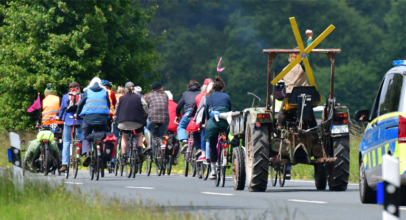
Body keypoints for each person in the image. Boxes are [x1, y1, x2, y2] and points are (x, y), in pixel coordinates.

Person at [277, 29, 314, 180]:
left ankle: (279, 128)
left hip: (290, 101)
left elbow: (279, 90)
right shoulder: (302, 66)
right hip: (304, 101)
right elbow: (309, 55)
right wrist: (310, 39)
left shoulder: (285, 70)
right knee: (310, 115)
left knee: (282, 113)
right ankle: (313, 130)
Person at [76, 77, 111, 167]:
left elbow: (80, 104)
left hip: (89, 118)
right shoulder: (105, 91)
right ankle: (104, 157)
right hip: (102, 119)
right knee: (107, 134)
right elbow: (108, 104)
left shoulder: (87, 91)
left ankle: (87, 153)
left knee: (85, 136)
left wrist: (78, 113)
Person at [203, 76, 231, 180]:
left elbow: (206, 113)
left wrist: (205, 124)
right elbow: (230, 109)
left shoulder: (208, 97)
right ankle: (226, 148)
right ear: (222, 87)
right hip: (225, 120)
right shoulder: (227, 96)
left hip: (213, 122)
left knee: (212, 144)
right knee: (226, 135)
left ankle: (213, 170)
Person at [114, 82, 148, 163]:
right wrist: (144, 114)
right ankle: (139, 150)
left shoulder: (121, 98)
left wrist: (116, 115)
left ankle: (124, 156)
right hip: (137, 121)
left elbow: (116, 108)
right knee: (139, 135)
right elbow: (145, 105)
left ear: (125, 89)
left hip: (124, 121)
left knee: (124, 138)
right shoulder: (139, 97)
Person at [59, 82, 84, 172]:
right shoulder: (82, 95)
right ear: (79, 88)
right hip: (80, 119)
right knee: (81, 135)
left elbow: (62, 109)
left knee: (66, 141)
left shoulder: (65, 96)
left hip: (68, 120)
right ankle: (82, 151)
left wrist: (61, 118)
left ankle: (65, 164)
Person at [186, 78, 213, 161]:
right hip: (215, 118)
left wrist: (190, 115)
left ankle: (199, 148)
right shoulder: (217, 95)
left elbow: (196, 109)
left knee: (195, 129)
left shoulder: (200, 96)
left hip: (201, 118)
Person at [176, 80, 201, 152]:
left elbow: (178, 107)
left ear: (188, 87)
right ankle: (199, 148)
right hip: (198, 115)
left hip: (188, 114)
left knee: (181, 126)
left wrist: (178, 116)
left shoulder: (185, 94)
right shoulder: (201, 94)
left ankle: (184, 141)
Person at [144, 82, 170, 152]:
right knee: (163, 134)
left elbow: (146, 106)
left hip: (153, 119)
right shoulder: (165, 95)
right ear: (160, 88)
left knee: (146, 127)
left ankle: (149, 145)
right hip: (165, 119)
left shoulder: (149, 95)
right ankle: (163, 146)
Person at [165, 90, 182, 165]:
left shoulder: (162, 105)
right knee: (175, 140)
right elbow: (180, 118)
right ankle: (174, 157)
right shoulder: (176, 105)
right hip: (174, 127)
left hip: (164, 126)